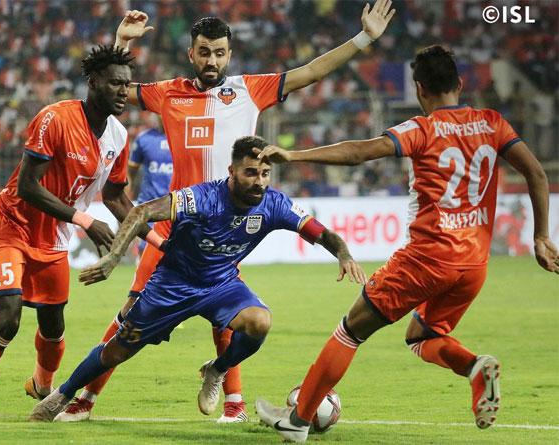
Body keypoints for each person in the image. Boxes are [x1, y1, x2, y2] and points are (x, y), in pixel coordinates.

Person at [61, 1, 395, 423]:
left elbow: (311, 72)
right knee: (129, 316)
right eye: (204, 52)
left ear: (229, 54)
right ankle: (85, 398)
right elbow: (109, 87)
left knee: (229, 314)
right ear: (191, 53)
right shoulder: (169, 93)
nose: (212, 60)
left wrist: (364, 38)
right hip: (174, 229)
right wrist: (121, 41)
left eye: (219, 52)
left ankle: (232, 403)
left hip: (226, 226)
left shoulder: (249, 89)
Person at [254, 45, 559, 443]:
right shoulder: (493, 122)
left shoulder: (421, 128)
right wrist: (540, 236)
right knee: (422, 336)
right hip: (475, 264)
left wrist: (293, 155)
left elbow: (358, 152)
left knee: (350, 331)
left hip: (427, 258)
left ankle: (298, 419)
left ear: (419, 89)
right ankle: (473, 366)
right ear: (460, 83)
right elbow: (537, 173)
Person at [28, 136, 367, 422]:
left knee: (260, 322)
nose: (260, 181)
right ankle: (63, 394)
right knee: (116, 351)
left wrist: (344, 253)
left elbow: (321, 233)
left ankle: (217, 370)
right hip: (172, 286)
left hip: (221, 285)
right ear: (232, 171)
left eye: (265, 173)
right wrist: (114, 257)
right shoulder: (202, 197)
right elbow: (142, 211)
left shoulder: (274, 203)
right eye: (251, 173)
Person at [0, 45, 165, 424]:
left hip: (53, 238)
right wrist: (84, 221)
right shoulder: (55, 118)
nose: (122, 92)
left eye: (127, 85)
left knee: (53, 324)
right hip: (11, 225)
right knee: (9, 318)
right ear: (93, 82)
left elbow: (115, 197)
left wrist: (161, 243)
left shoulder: (117, 134)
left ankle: (41, 385)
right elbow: (28, 186)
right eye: (114, 83)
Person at [127, 121, 172, 258]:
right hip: (149, 210)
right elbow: (129, 174)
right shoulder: (143, 138)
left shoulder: (186, 137)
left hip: (177, 209)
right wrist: (126, 208)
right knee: (145, 258)